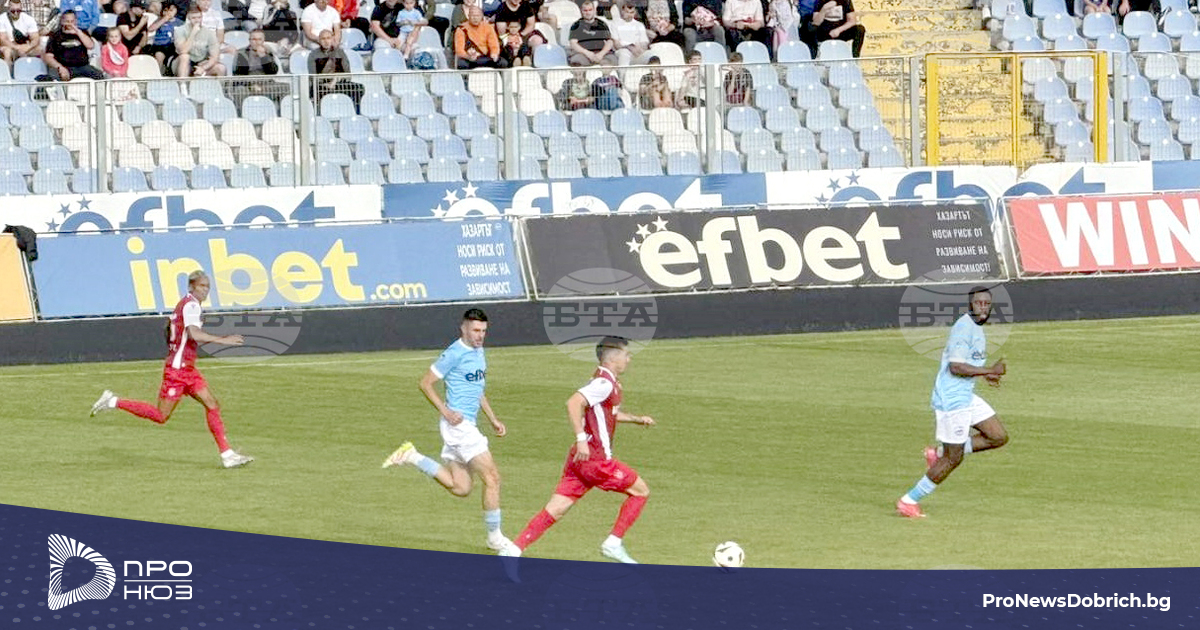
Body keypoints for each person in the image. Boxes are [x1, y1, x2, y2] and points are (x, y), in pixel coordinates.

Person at [501, 336, 656, 564]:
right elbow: (573, 402)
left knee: (556, 508)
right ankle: (613, 543)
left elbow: (606, 414)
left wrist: (636, 419)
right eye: (626, 354)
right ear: (613, 357)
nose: (629, 359)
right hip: (596, 460)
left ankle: (513, 550)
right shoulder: (603, 384)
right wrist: (581, 438)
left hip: (578, 461)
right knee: (641, 491)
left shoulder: (604, 380)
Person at [90, 270, 254, 470]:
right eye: (202, 286)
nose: (205, 290)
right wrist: (223, 340)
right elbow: (194, 334)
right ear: (192, 286)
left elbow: (169, 329)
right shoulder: (191, 305)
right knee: (161, 415)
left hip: (188, 369)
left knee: (212, 404)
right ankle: (113, 401)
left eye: (208, 287)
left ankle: (227, 455)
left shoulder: (183, 304)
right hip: (177, 372)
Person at [382, 309, 514, 553]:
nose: (480, 336)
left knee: (461, 488)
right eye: (475, 330)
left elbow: (477, 388)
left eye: (484, 331)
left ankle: (412, 456)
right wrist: (446, 411)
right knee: (493, 478)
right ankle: (494, 538)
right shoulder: (454, 353)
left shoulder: (478, 351)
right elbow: (425, 383)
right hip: (459, 427)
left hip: (465, 426)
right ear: (463, 329)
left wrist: (492, 418)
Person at [896, 287, 1009, 519]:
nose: (983, 307)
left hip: (966, 395)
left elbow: (966, 364)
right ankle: (908, 501)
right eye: (978, 303)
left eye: (987, 304)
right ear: (970, 305)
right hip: (952, 400)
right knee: (953, 458)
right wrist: (989, 370)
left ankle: (937, 453)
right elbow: (955, 367)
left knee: (997, 436)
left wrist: (986, 374)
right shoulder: (964, 328)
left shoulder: (976, 328)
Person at [229, 29, 288, 106]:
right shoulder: (241, 53)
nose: (257, 42)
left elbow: (273, 71)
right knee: (239, 90)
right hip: (247, 84)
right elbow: (239, 74)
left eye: (259, 39)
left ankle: (280, 112)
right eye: (254, 39)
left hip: (266, 84)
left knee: (285, 87)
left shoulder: (268, 51)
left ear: (263, 41)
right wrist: (252, 85)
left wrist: (264, 57)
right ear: (250, 41)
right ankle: (241, 112)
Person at [42, 10, 105, 80]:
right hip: (65, 67)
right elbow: (48, 57)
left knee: (99, 76)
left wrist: (78, 32)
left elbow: (90, 46)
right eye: (67, 21)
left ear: (76, 21)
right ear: (62, 21)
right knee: (55, 77)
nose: (70, 24)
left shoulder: (82, 32)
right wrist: (60, 67)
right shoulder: (55, 36)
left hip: (83, 66)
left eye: (72, 21)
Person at [309, 28, 363, 106]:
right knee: (316, 91)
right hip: (321, 85)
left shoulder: (340, 52)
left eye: (328, 38)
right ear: (319, 41)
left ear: (332, 39)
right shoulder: (313, 54)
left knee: (359, 88)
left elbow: (348, 73)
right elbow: (312, 76)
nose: (326, 41)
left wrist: (336, 79)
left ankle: (356, 110)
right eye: (323, 39)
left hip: (339, 83)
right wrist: (327, 83)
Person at [173, 5, 224, 76]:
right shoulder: (180, 30)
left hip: (201, 62)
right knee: (185, 57)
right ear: (188, 18)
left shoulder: (209, 33)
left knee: (221, 68)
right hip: (182, 63)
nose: (197, 20)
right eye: (194, 18)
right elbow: (183, 50)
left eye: (199, 17)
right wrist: (193, 33)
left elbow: (215, 56)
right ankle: (183, 82)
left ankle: (220, 84)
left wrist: (203, 68)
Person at [568, 0, 615, 66]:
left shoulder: (602, 24)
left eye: (590, 10)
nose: (588, 13)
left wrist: (601, 54)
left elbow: (609, 42)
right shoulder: (576, 25)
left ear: (594, 10)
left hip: (601, 54)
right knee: (577, 62)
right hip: (583, 55)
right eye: (585, 10)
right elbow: (573, 44)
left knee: (608, 63)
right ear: (581, 11)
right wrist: (587, 53)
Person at [0, 1, 44, 65]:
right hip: (9, 45)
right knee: (7, 52)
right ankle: (8, 70)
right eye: (13, 11)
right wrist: (17, 47)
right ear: (8, 9)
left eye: (18, 11)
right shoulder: (2, 19)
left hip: (24, 44)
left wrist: (28, 47)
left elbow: (35, 38)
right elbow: (3, 39)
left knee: (39, 50)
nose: (16, 13)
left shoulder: (28, 19)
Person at [142, 0, 180, 71]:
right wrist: (164, 19)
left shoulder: (179, 22)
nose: (168, 13)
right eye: (166, 10)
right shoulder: (159, 20)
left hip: (173, 45)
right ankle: (158, 72)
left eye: (171, 10)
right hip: (160, 45)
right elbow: (150, 29)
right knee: (159, 56)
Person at [610, 0, 649, 66]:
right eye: (627, 12)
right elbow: (616, 44)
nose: (629, 15)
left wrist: (639, 48)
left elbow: (644, 42)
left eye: (632, 12)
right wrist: (630, 47)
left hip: (638, 52)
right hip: (623, 51)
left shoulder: (639, 25)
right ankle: (623, 73)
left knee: (651, 55)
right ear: (622, 11)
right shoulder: (615, 24)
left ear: (635, 12)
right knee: (624, 53)